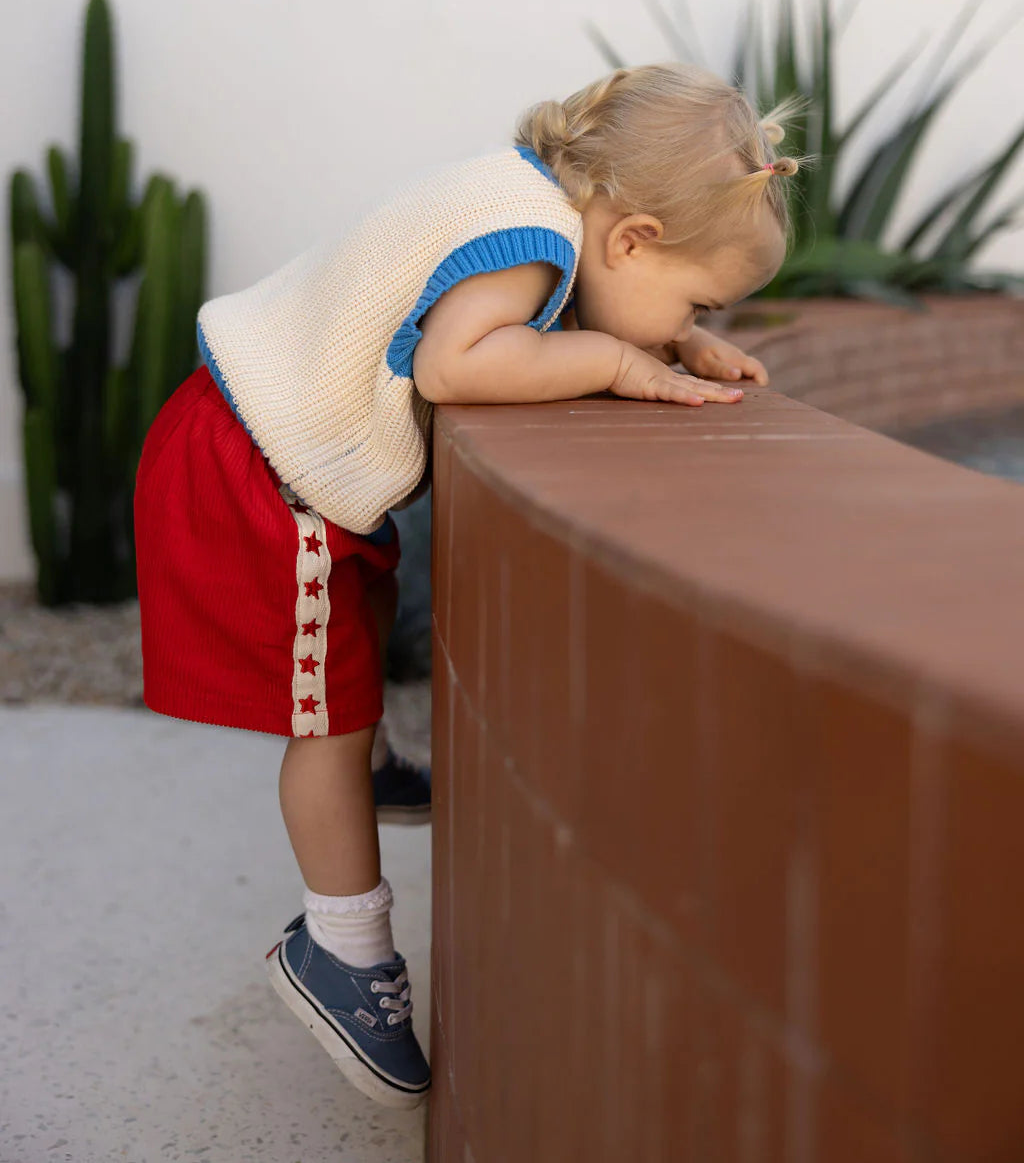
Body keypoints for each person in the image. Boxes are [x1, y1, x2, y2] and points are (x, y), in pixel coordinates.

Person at [133, 60, 809, 1113]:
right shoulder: (530, 251)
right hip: (256, 474)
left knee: (343, 666)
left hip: (264, 450)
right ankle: (340, 948)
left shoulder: (526, 194)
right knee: (321, 716)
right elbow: (455, 364)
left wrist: (672, 331)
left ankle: (369, 766)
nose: (686, 318)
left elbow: (566, 308)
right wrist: (623, 365)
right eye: (696, 297)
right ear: (629, 239)